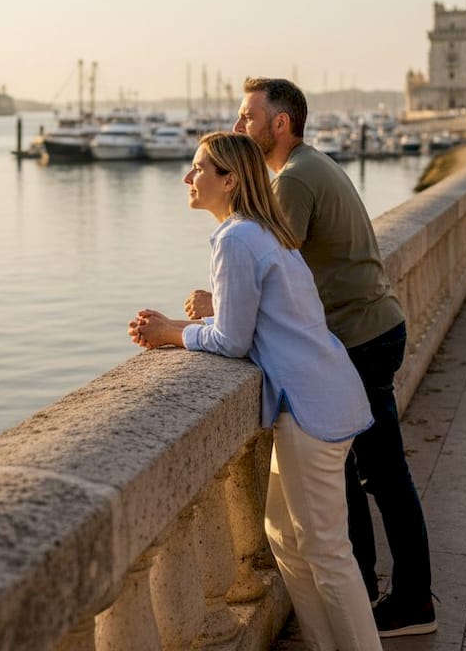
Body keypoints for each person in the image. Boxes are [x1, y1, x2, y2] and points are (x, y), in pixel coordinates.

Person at [187, 78, 435, 637]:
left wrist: (208, 314)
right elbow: (283, 275)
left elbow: (270, 284)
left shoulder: (291, 183)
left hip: (350, 344)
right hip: (364, 333)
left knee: (367, 488)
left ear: (281, 123)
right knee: (354, 491)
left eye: (247, 115)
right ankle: (378, 597)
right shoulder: (306, 168)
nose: (238, 124)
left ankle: (391, 597)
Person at [129, 132, 381, 651]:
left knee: (328, 550)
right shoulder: (262, 232)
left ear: (231, 179)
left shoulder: (235, 239)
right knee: (284, 538)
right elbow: (266, 320)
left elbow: (232, 339)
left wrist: (171, 334)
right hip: (320, 395)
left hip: (311, 408)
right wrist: (180, 323)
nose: (188, 177)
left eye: (199, 168)